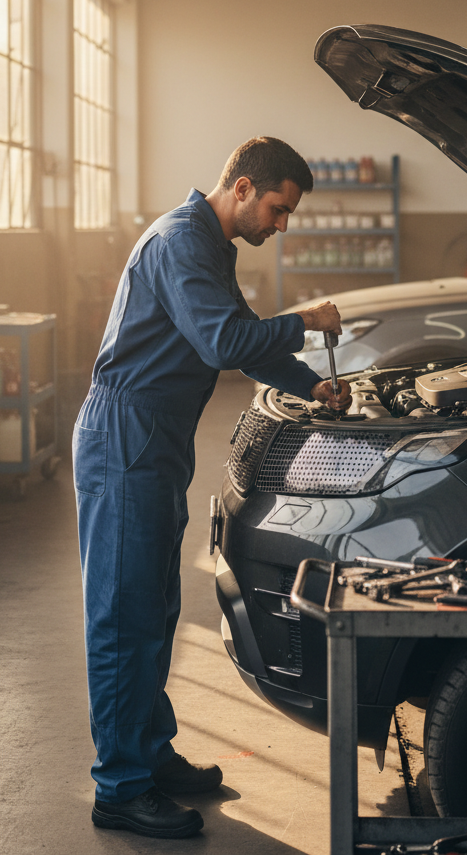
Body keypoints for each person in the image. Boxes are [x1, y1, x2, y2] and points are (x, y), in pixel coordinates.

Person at [73, 136, 352, 839]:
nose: (281, 225)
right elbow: (224, 345)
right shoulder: (180, 242)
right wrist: (308, 320)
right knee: (122, 616)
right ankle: (119, 787)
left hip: (156, 439)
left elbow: (245, 337)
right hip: (124, 437)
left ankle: (149, 754)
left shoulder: (210, 246)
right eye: (279, 209)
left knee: (155, 608)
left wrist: (312, 384)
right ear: (243, 188)